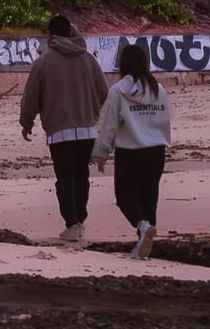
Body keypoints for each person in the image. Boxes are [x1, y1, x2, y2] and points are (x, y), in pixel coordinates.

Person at [19, 14, 109, 245]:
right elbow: (103, 91)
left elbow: (31, 98)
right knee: (81, 177)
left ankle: (72, 224)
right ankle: (80, 218)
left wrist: (26, 122)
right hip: (87, 131)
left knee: (65, 179)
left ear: (50, 35)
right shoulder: (88, 59)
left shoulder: (43, 62)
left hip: (60, 132)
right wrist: (91, 111)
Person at [92, 36, 171, 258]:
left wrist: (102, 152)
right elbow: (164, 121)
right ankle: (145, 244)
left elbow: (109, 125)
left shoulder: (118, 90)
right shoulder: (159, 90)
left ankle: (143, 229)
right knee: (149, 197)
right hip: (157, 150)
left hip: (130, 152)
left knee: (125, 197)